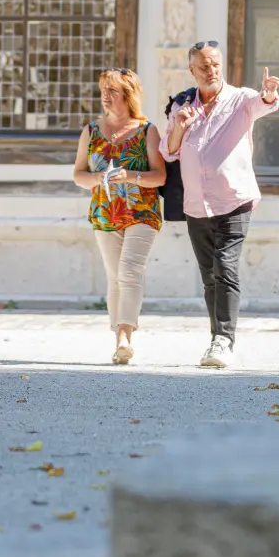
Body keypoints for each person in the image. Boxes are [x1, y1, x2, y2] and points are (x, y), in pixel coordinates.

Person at [159, 40, 279, 369]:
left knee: (225, 267)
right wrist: (180, 126)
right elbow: (169, 151)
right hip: (196, 205)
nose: (210, 70)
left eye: (215, 64)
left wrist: (269, 92)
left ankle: (224, 339)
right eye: (203, 66)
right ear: (192, 70)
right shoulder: (182, 105)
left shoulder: (241, 99)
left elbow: (264, 104)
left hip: (234, 200)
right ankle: (217, 337)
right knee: (209, 276)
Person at [71, 68, 166, 366]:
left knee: (130, 271)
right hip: (105, 211)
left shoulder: (146, 129)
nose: (106, 96)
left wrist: (131, 176)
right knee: (114, 278)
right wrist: (100, 178)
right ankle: (119, 342)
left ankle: (126, 333)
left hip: (142, 211)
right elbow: (78, 175)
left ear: (128, 95)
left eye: (112, 90)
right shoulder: (91, 130)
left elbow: (160, 176)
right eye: (103, 90)